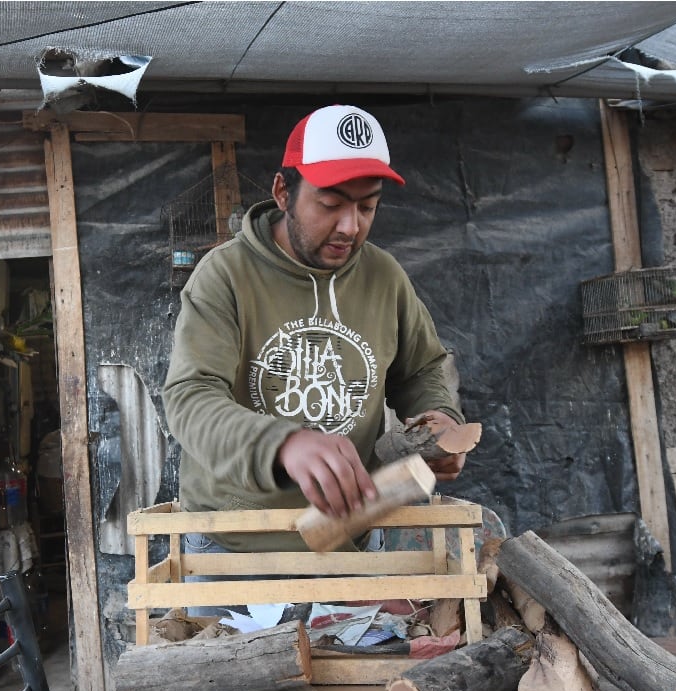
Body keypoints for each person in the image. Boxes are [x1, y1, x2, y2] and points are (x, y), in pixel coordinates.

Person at [163, 104, 465, 565]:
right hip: (234, 546)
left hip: (351, 539)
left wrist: (438, 419)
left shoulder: (383, 275)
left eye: (367, 206)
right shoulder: (224, 276)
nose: (351, 226)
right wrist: (283, 443)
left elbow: (421, 369)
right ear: (283, 192)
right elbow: (191, 398)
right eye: (331, 204)